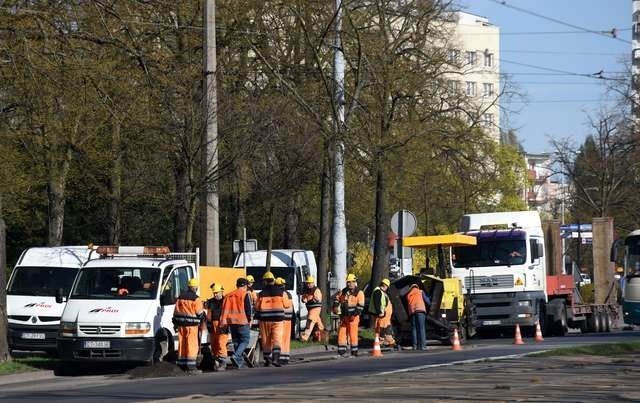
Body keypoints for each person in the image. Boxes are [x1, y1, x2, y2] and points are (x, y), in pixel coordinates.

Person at [255, 271, 291, 367]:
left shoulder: (261, 294)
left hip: (265, 320)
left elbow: (257, 307)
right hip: (278, 320)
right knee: (277, 339)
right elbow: (287, 305)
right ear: (273, 280)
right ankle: (275, 359)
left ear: (265, 282)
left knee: (266, 340)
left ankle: (268, 360)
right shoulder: (281, 292)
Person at [173, 278, 205, 372]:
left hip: (181, 325)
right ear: (195, 287)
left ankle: (181, 364)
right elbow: (199, 313)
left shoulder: (180, 297)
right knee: (191, 344)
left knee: (182, 344)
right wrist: (203, 317)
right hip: (191, 326)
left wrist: (175, 323)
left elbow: (175, 312)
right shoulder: (196, 299)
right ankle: (191, 366)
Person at [219, 277, 253, 369]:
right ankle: (236, 356)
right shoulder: (245, 294)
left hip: (231, 322)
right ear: (245, 286)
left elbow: (224, 309)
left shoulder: (228, 295)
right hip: (242, 321)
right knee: (245, 340)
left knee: (236, 341)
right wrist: (250, 320)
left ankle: (239, 362)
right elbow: (248, 309)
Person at [333, 273, 365, 357]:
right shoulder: (344, 292)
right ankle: (341, 351)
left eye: (351, 282)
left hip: (353, 317)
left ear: (355, 282)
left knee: (353, 334)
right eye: (348, 282)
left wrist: (354, 314)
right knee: (341, 333)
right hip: (344, 317)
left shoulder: (359, 293)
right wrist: (335, 307)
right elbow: (337, 299)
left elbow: (360, 306)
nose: (350, 284)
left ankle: (354, 352)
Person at [205, 283, 228, 371]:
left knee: (221, 343)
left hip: (223, 324)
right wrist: (209, 324)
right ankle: (216, 361)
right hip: (213, 324)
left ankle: (222, 362)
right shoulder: (211, 301)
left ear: (221, 292)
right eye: (214, 293)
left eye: (217, 293)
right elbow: (209, 314)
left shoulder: (225, 301)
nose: (215, 295)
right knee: (214, 344)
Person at [368, 278, 395, 348]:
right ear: (385, 285)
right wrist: (379, 312)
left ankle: (386, 341)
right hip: (381, 315)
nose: (387, 289)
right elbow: (377, 303)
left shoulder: (382, 292)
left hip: (385, 315)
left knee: (384, 328)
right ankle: (382, 342)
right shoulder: (378, 291)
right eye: (387, 287)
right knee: (381, 329)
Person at [300, 275, 325, 342]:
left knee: (310, 322)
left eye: (309, 283)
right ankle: (323, 334)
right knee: (318, 323)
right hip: (310, 309)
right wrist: (303, 299)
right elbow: (303, 298)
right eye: (307, 283)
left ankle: (305, 337)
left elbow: (318, 299)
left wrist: (308, 300)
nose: (308, 285)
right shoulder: (307, 290)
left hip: (315, 308)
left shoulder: (316, 290)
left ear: (313, 283)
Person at [406, 283, 430, 350]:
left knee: (414, 329)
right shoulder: (420, 291)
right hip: (420, 311)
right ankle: (422, 346)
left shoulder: (408, 295)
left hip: (412, 312)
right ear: (417, 287)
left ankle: (415, 346)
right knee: (421, 328)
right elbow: (427, 301)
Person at [275, 277, 293, 365]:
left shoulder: (281, 294)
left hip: (282, 319)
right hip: (288, 320)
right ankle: (285, 357)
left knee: (280, 338)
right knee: (286, 339)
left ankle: (280, 357)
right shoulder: (288, 293)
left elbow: (285, 305)